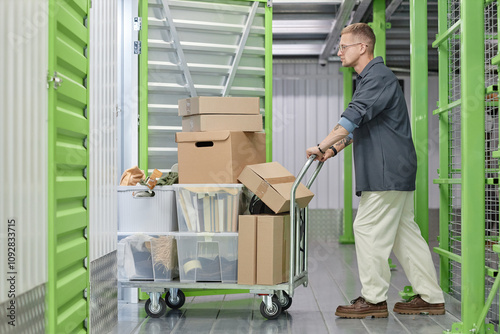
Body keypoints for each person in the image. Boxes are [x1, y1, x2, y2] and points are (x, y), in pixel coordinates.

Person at [306, 23, 445, 319]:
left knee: (366, 227)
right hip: (394, 170)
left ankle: (373, 299)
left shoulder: (377, 77)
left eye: (344, 46)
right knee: (404, 235)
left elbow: (350, 119)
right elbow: (361, 127)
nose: (339, 51)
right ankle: (431, 297)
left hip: (386, 171)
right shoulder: (372, 79)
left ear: (363, 47)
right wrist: (332, 151)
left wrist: (320, 144)